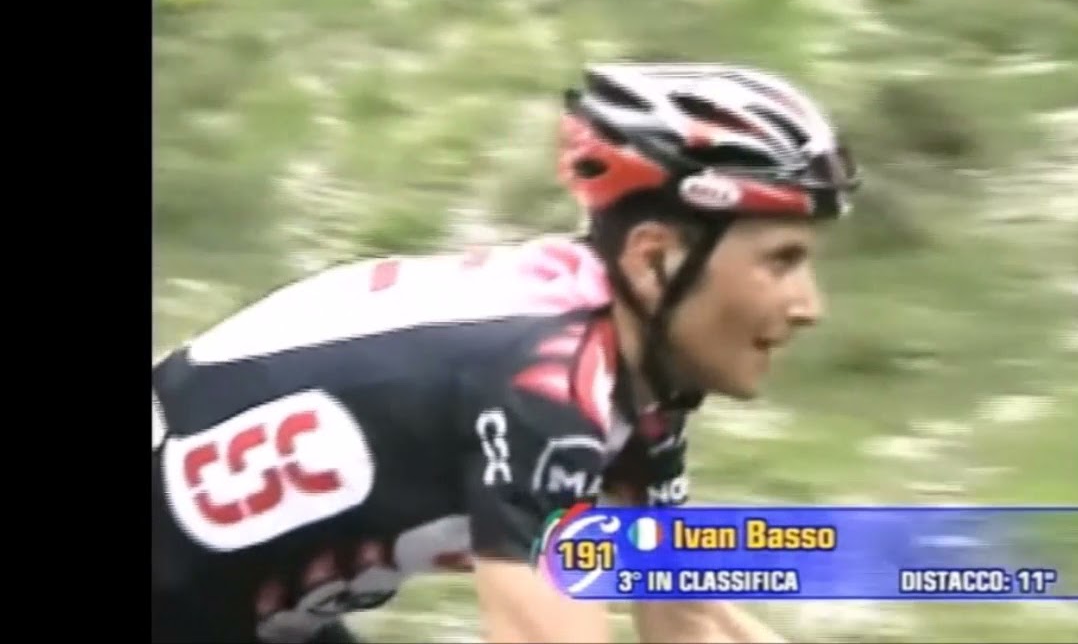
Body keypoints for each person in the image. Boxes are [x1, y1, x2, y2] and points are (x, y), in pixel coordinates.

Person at [151, 62, 860, 643]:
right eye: (782, 260)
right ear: (655, 261)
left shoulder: (632, 375)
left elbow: (685, 619)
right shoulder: (545, 384)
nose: (810, 306)